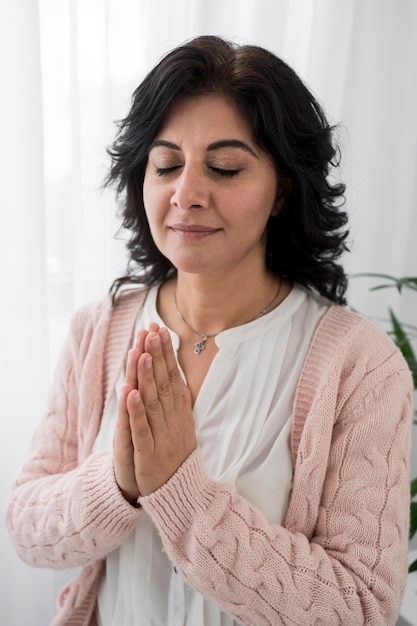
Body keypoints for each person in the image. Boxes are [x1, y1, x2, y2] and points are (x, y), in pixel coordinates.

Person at [5, 35, 413, 626]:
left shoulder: (360, 366)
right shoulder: (99, 332)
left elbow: (361, 607)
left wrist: (181, 495)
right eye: (166, 165)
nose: (186, 195)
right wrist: (116, 485)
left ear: (284, 190)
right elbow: (25, 528)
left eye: (224, 168)